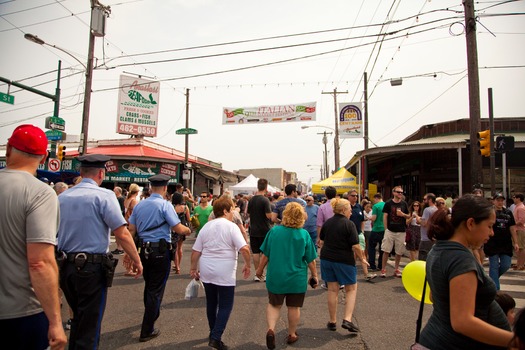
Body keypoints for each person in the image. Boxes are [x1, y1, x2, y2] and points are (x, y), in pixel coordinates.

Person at [57, 154, 143, 350]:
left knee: (78, 318)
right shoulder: (104, 196)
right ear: (101, 173)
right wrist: (136, 260)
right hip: (91, 268)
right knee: (90, 326)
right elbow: (121, 233)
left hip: (66, 267)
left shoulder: (62, 197)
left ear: (80, 172)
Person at [0, 124, 67, 350]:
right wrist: (56, 321)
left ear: (8, 148)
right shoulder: (39, 193)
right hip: (21, 312)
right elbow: (40, 262)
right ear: (44, 157)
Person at [419, 194, 514, 349]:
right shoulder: (460, 259)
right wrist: (515, 341)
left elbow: (435, 296)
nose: (492, 233)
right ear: (471, 223)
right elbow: (463, 322)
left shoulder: (439, 248)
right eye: (489, 226)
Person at [125, 174, 191, 342]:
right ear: (164, 188)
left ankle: (151, 316)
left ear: (151, 187)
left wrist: (128, 252)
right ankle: (147, 328)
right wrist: (188, 230)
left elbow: (131, 229)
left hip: (143, 249)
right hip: (160, 251)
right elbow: (178, 228)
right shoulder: (165, 205)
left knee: (149, 285)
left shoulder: (139, 206)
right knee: (156, 289)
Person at [190, 196, 251, 350]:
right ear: (225, 211)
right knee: (225, 305)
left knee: (211, 303)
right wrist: (248, 264)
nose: (233, 213)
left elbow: (196, 251)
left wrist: (192, 268)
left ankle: (213, 333)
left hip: (206, 269)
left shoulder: (206, 227)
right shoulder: (231, 227)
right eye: (231, 210)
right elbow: (244, 248)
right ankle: (216, 337)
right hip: (224, 270)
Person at [255, 202, 318, 349]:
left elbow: (265, 254)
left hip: (276, 276)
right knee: (293, 307)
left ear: (285, 215)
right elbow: (311, 259)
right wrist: (314, 275)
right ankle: (292, 334)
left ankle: (271, 329)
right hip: (296, 278)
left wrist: (259, 270)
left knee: (274, 304)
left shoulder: (274, 232)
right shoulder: (304, 235)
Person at [319, 198, 367, 333]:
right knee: (351, 289)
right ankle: (347, 319)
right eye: (350, 210)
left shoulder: (328, 223)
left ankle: (332, 321)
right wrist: (362, 259)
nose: (351, 213)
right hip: (344, 260)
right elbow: (356, 246)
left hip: (326, 258)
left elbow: (321, 240)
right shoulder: (349, 224)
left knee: (332, 290)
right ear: (343, 210)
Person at [484, 193, 518, 290]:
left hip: (505, 243)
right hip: (492, 242)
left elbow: (512, 228)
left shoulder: (508, 212)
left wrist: (515, 242)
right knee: (494, 265)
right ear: (493, 201)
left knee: (506, 265)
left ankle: (491, 280)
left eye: (501, 200)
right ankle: (495, 289)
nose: (500, 202)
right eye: (498, 200)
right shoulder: (489, 212)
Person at [247, 178, 273, 282]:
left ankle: (257, 274)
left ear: (258, 186)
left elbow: (248, 214)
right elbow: (268, 216)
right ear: (266, 187)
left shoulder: (251, 200)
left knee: (255, 252)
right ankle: (264, 273)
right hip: (264, 229)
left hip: (253, 229)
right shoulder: (265, 200)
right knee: (265, 253)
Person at [381, 186, 410, 277]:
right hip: (390, 230)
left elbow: (408, 216)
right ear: (393, 193)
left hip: (401, 230)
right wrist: (386, 228)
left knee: (399, 251)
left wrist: (403, 214)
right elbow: (385, 216)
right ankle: (383, 269)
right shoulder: (388, 203)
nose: (400, 194)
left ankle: (396, 269)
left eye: (401, 192)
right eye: (398, 192)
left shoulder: (404, 204)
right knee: (386, 250)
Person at [316, 186, 337, 290]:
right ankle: (340, 281)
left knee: (326, 258)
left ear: (325, 195)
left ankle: (327, 282)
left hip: (327, 235)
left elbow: (319, 224)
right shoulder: (340, 204)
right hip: (340, 234)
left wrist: (319, 238)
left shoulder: (322, 207)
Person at [171, 190, 191, 274]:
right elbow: (189, 219)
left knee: (175, 248)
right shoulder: (185, 207)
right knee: (180, 247)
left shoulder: (172, 207)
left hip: (175, 228)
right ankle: (178, 264)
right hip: (183, 227)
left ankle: (177, 266)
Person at [368, 193, 385, 271]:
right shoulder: (386, 205)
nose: (374, 201)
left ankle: (372, 265)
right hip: (384, 229)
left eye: (374, 199)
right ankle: (381, 265)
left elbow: (374, 218)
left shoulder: (376, 206)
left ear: (376, 198)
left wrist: (369, 218)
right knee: (382, 248)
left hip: (376, 229)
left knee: (371, 247)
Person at [418, 193, 438, 261]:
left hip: (425, 238)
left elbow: (424, 223)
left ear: (430, 200)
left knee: (423, 259)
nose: (423, 201)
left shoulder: (427, 210)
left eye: (425, 199)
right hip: (433, 238)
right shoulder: (436, 209)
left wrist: (417, 218)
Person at [513, 193, 525, 271]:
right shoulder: (517, 207)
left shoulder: (521, 208)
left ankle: (521, 264)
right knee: (518, 248)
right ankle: (518, 263)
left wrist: (512, 224)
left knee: (521, 247)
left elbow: (521, 220)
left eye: (514, 197)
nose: (513, 199)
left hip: (520, 230)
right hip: (516, 229)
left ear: (518, 198)